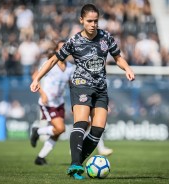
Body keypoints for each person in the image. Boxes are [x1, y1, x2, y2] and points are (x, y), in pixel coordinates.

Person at [30, 4, 135, 180]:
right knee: (81, 123)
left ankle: (78, 162)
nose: (93, 24)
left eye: (96, 21)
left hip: (101, 88)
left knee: (98, 129)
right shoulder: (74, 41)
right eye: (89, 21)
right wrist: (37, 78)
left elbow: (117, 57)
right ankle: (76, 164)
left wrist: (127, 68)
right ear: (81, 20)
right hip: (81, 86)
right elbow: (53, 60)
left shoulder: (105, 37)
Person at [30, 40, 74, 165]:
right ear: (56, 50)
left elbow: (71, 86)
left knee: (58, 132)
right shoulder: (50, 64)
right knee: (60, 128)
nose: (64, 51)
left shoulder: (70, 68)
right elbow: (35, 76)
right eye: (61, 48)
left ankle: (40, 157)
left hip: (59, 102)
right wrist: (42, 94)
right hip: (48, 102)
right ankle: (37, 131)